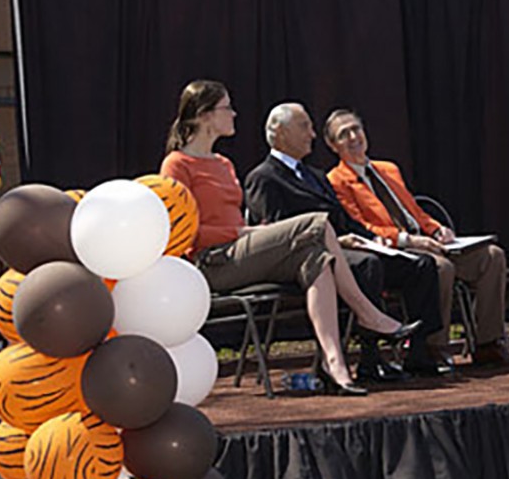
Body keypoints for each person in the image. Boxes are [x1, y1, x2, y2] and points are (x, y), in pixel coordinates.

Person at [160, 80, 421, 396]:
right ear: (205, 116)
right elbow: (183, 233)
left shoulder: (224, 164)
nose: (234, 113)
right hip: (212, 261)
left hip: (242, 253)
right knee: (318, 224)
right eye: (226, 107)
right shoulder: (177, 164)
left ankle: (334, 363)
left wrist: (246, 233)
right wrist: (241, 232)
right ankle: (369, 315)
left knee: (316, 257)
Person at [244, 103, 451, 377]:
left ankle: (419, 352)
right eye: (305, 127)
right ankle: (370, 358)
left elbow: (345, 220)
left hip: (349, 250)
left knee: (421, 265)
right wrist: (339, 241)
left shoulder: (315, 176)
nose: (312, 134)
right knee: (368, 264)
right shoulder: (263, 178)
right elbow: (277, 233)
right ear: (281, 133)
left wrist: (374, 239)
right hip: (310, 260)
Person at [323, 108, 509, 366]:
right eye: (343, 134)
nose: (353, 137)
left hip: (428, 241)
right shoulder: (335, 181)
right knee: (441, 268)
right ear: (332, 145)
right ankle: (433, 347)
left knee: (492, 256)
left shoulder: (388, 169)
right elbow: (362, 228)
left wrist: (437, 229)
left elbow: (414, 212)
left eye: (355, 129)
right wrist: (409, 240)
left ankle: (488, 343)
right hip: (397, 250)